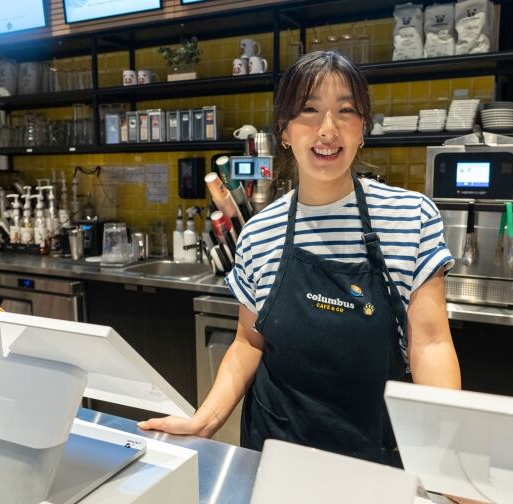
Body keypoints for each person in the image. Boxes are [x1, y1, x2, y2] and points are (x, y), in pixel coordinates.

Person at [139, 51, 460, 465]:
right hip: (276, 449)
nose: (327, 129)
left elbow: (431, 345)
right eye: (309, 110)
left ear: (364, 128)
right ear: (285, 131)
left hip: (375, 452)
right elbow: (248, 340)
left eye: (345, 111)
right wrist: (206, 420)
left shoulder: (410, 216)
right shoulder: (260, 232)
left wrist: (451, 459)